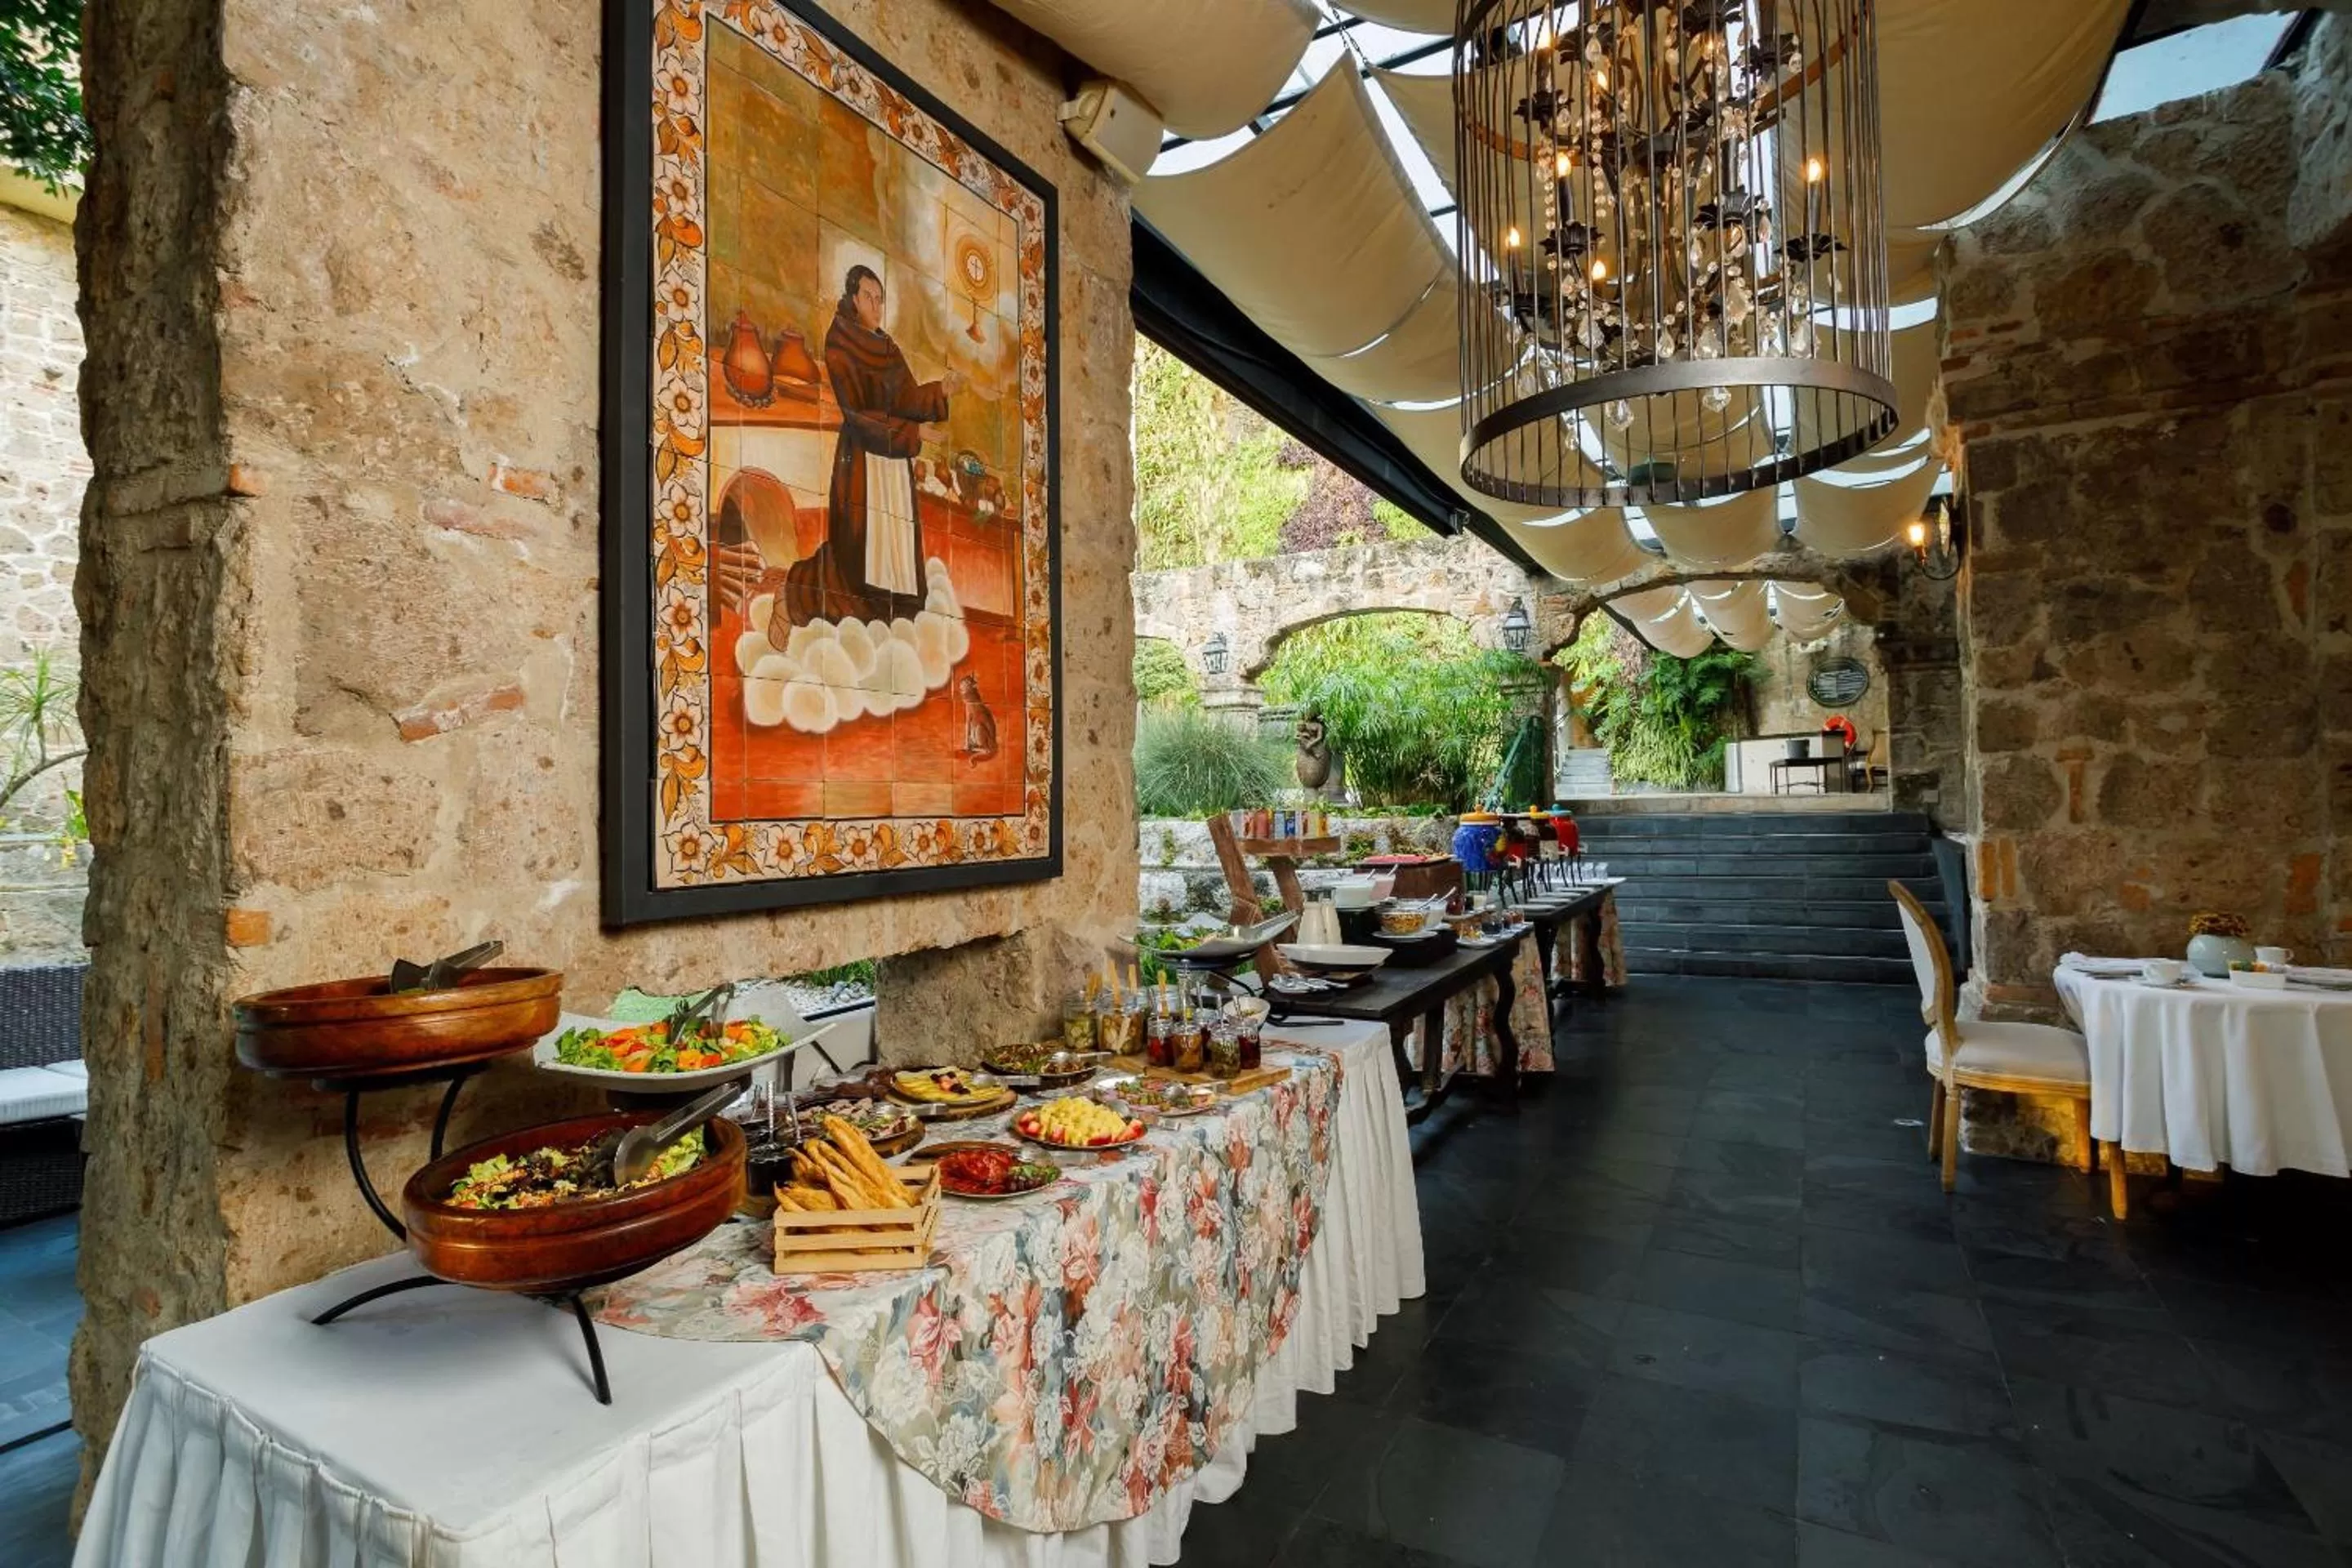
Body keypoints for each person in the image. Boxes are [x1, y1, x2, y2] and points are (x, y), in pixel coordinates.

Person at [783, 265, 961, 626]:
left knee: (896, 558)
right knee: (857, 565)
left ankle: (892, 630)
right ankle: (796, 596)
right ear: (853, 299)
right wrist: (915, 434)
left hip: (894, 464)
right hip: (863, 463)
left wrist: (940, 390)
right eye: (870, 298)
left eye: (881, 299)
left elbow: (907, 396)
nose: (877, 306)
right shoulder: (839, 343)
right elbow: (857, 416)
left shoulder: (886, 345)